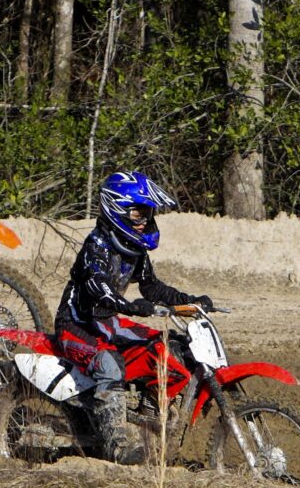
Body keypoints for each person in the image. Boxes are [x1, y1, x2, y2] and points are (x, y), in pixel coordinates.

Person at [54, 171, 213, 464]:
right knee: (110, 365)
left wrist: (188, 300)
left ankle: (150, 415)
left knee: (172, 348)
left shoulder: (134, 246)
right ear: (116, 208)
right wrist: (130, 307)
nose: (143, 219)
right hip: (76, 324)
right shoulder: (97, 245)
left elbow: (151, 286)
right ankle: (116, 447)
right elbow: (98, 287)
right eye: (137, 212)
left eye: (147, 213)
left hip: (108, 322)